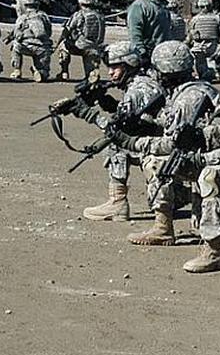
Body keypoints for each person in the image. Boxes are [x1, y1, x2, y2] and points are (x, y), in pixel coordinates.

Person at [112, 48, 220, 271]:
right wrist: (195, 137)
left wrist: (200, 159)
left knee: (211, 177)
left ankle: (213, 252)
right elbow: (214, 133)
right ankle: (163, 227)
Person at [120, 41, 219, 247]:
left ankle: (163, 227)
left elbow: (173, 144)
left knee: (154, 162)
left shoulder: (186, 99)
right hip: (213, 160)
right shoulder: (199, 89)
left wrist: (137, 143)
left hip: (205, 162)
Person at [63, 41, 167, 222]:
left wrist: (87, 113)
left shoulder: (138, 89)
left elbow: (116, 128)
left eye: (115, 67)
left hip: (162, 150)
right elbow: (131, 117)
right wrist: (108, 103)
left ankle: (117, 203)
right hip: (162, 143)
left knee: (116, 143)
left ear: (129, 64)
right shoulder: (143, 81)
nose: (110, 72)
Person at [58, 0, 106, 81]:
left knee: (63, 46)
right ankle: (92, 73)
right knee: (91, 70)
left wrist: (61, 40)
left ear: (80, 2)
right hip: (96, 47)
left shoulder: (78, 14)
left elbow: (67, 29)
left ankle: (64, 72)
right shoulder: (100, 16)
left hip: (81, 46)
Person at [126, 0, 172, 66]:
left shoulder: (164, 6)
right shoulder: (139, 6)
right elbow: (135, 34)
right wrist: (142, 54)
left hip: (164, 55)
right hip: (147, 56)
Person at [8, 0, 53, 82]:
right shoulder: (44, 16)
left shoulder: (22, 18)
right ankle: (39, 71)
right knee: (44, 73)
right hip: (42, 48)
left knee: (15, 45)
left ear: (24, 5)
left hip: (24, 46)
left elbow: (17, 34)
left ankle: (17, 70)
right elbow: (49, 32)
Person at [187, 0, 220, 80]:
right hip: (213, 46)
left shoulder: (195, 19)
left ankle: (203, 75)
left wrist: (188, 43)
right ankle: (214, 73)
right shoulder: (216, 18)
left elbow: (190, 35)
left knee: (199, 60)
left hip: (198, 47)